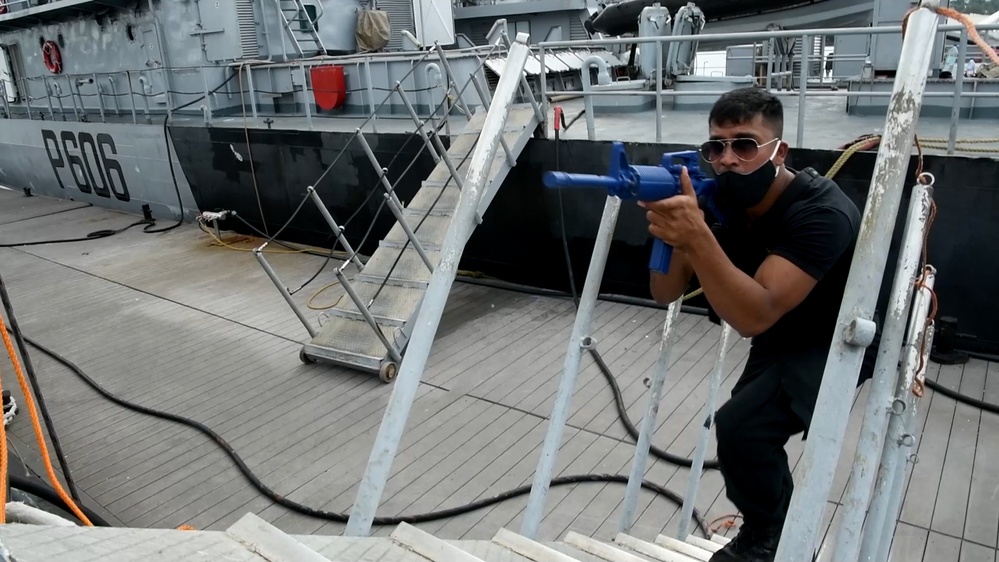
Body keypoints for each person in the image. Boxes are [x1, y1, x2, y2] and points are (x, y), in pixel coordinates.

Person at [640, 87, 875, 562]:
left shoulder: (821, 212)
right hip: (781, 330)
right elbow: (664, 293)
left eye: (744, 145)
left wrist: (699, 235)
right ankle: (774, 527)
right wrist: (677, 236)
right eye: (716, 148)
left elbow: (753, 315)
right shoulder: (724, 204)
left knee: (742, 428)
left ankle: (772, 539)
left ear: (778, 151)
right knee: (743, 435)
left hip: (832, 338)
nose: (727, 160)